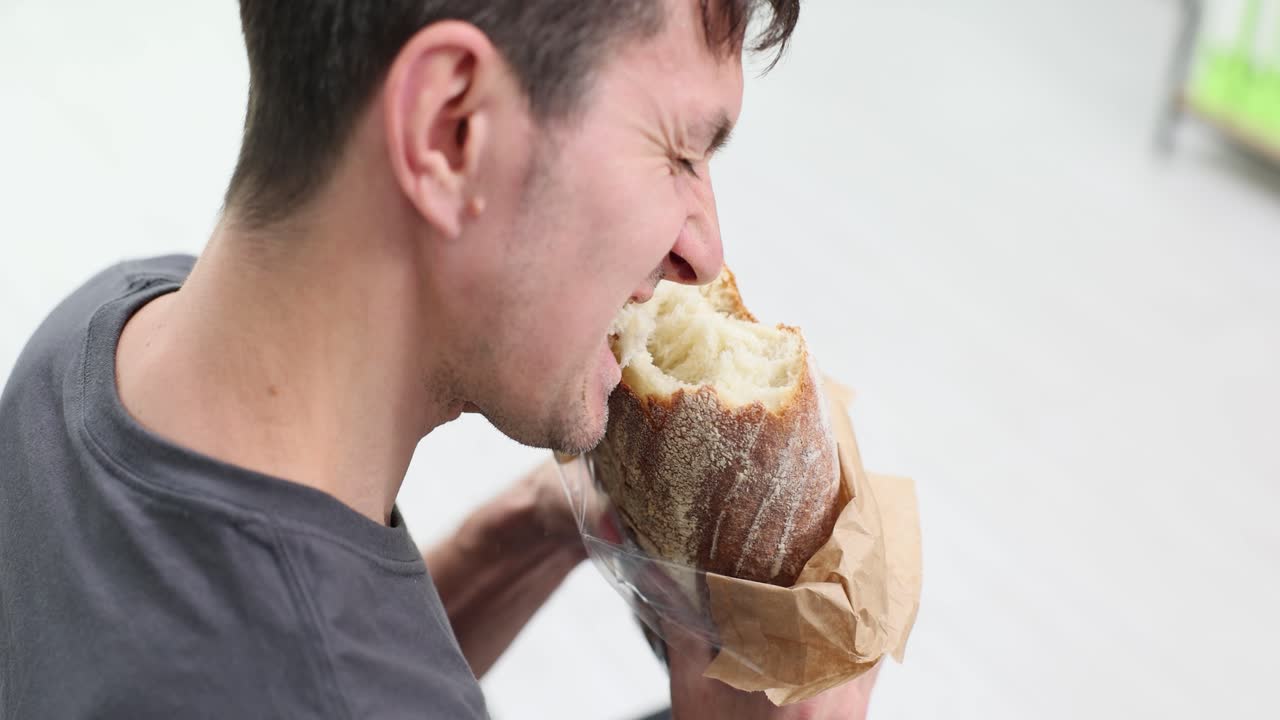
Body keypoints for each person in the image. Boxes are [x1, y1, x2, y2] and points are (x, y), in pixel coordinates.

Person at [0, 0, 876, 717]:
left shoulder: (103, 332)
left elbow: (321, 642)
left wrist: (528, 533)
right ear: (450, 127)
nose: (704, 252)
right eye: (680, 153)